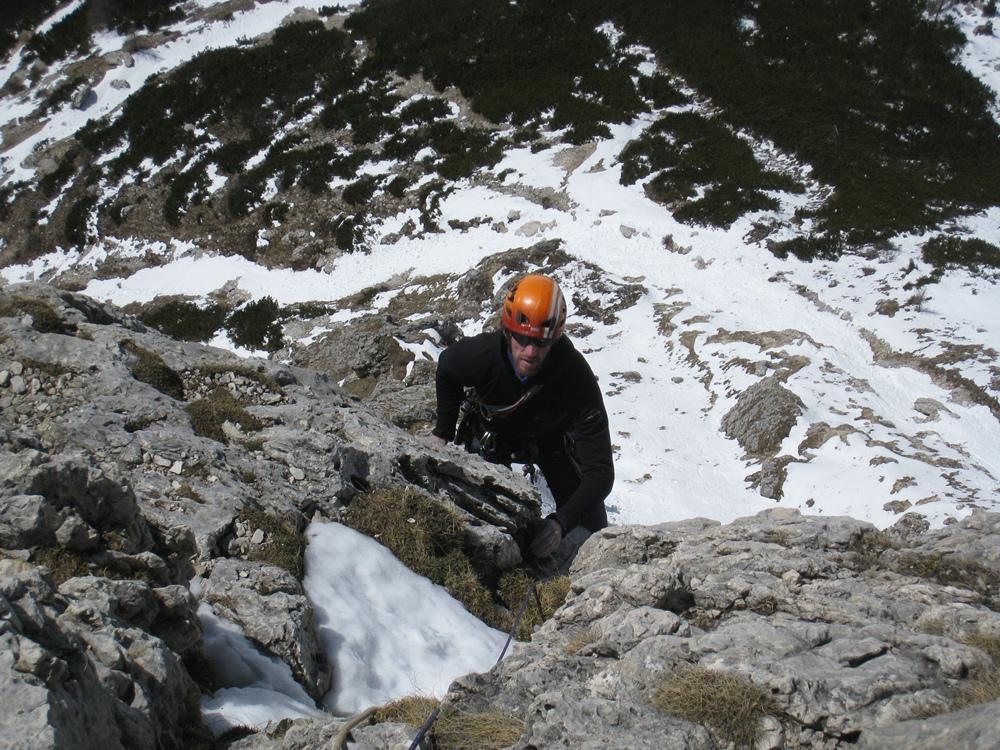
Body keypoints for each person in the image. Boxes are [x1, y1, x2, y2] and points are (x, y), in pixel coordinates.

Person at [432, 273, 614, 561]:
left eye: (541, 343)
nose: (530, 352)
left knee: (593, 530)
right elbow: (447, 369)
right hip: (491, 436)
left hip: (549, 441)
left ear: (555, 341)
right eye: (523, 339)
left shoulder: (574, 376)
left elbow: (600, 472)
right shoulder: (483, 354)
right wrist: (442, 432)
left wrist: (561, 522)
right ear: (508, 332)